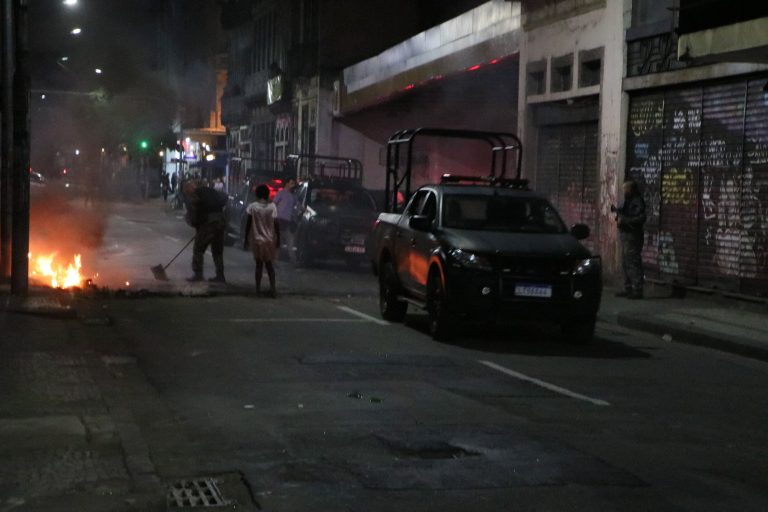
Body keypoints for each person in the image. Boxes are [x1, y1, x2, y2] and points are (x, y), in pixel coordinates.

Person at [184, 180, 228, 283]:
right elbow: (224, 198)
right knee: (217, 251)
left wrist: (198, 228)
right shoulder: (211, 191)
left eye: (187, 192)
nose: (188, 195)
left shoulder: (195, 196)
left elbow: (195, 216)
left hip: (209, 223)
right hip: (220, 222)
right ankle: (220, 276)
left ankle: (198, 274)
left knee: (198, 249)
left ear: (190, 189)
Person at [614, 180, 646, 299]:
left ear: (631, 189)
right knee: (625, 262)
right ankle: (627, 288)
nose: (624, 191)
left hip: (633, 237)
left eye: (626, 189)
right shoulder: (628, 201)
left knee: (633, 262)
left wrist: (625, 221)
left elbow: (641, 218)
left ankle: (637, 289)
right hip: (626, 236)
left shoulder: (637, 201)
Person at [246, 184, 280, 297]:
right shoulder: (272, 207)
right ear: (267, 194)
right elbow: (276, 224)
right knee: (270, 266)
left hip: (257, 240)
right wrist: (278, 239)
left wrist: (246, 238)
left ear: (257, 194)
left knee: (259, 266)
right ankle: (273, 289)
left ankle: (258, 290)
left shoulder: (252, 207)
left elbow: (248, 224)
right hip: (269, 240)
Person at [272, 177, 298, 262]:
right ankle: (274, 260)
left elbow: (297, 205)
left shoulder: (293, 196)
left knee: (290, 241)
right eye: (291, 183)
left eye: (293, 184)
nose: (293, 185)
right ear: (287, 184)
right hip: (279, 220)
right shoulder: (281, 193)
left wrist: (304, 209)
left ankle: (293, 260)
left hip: (287, 222)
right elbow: (274, 204)